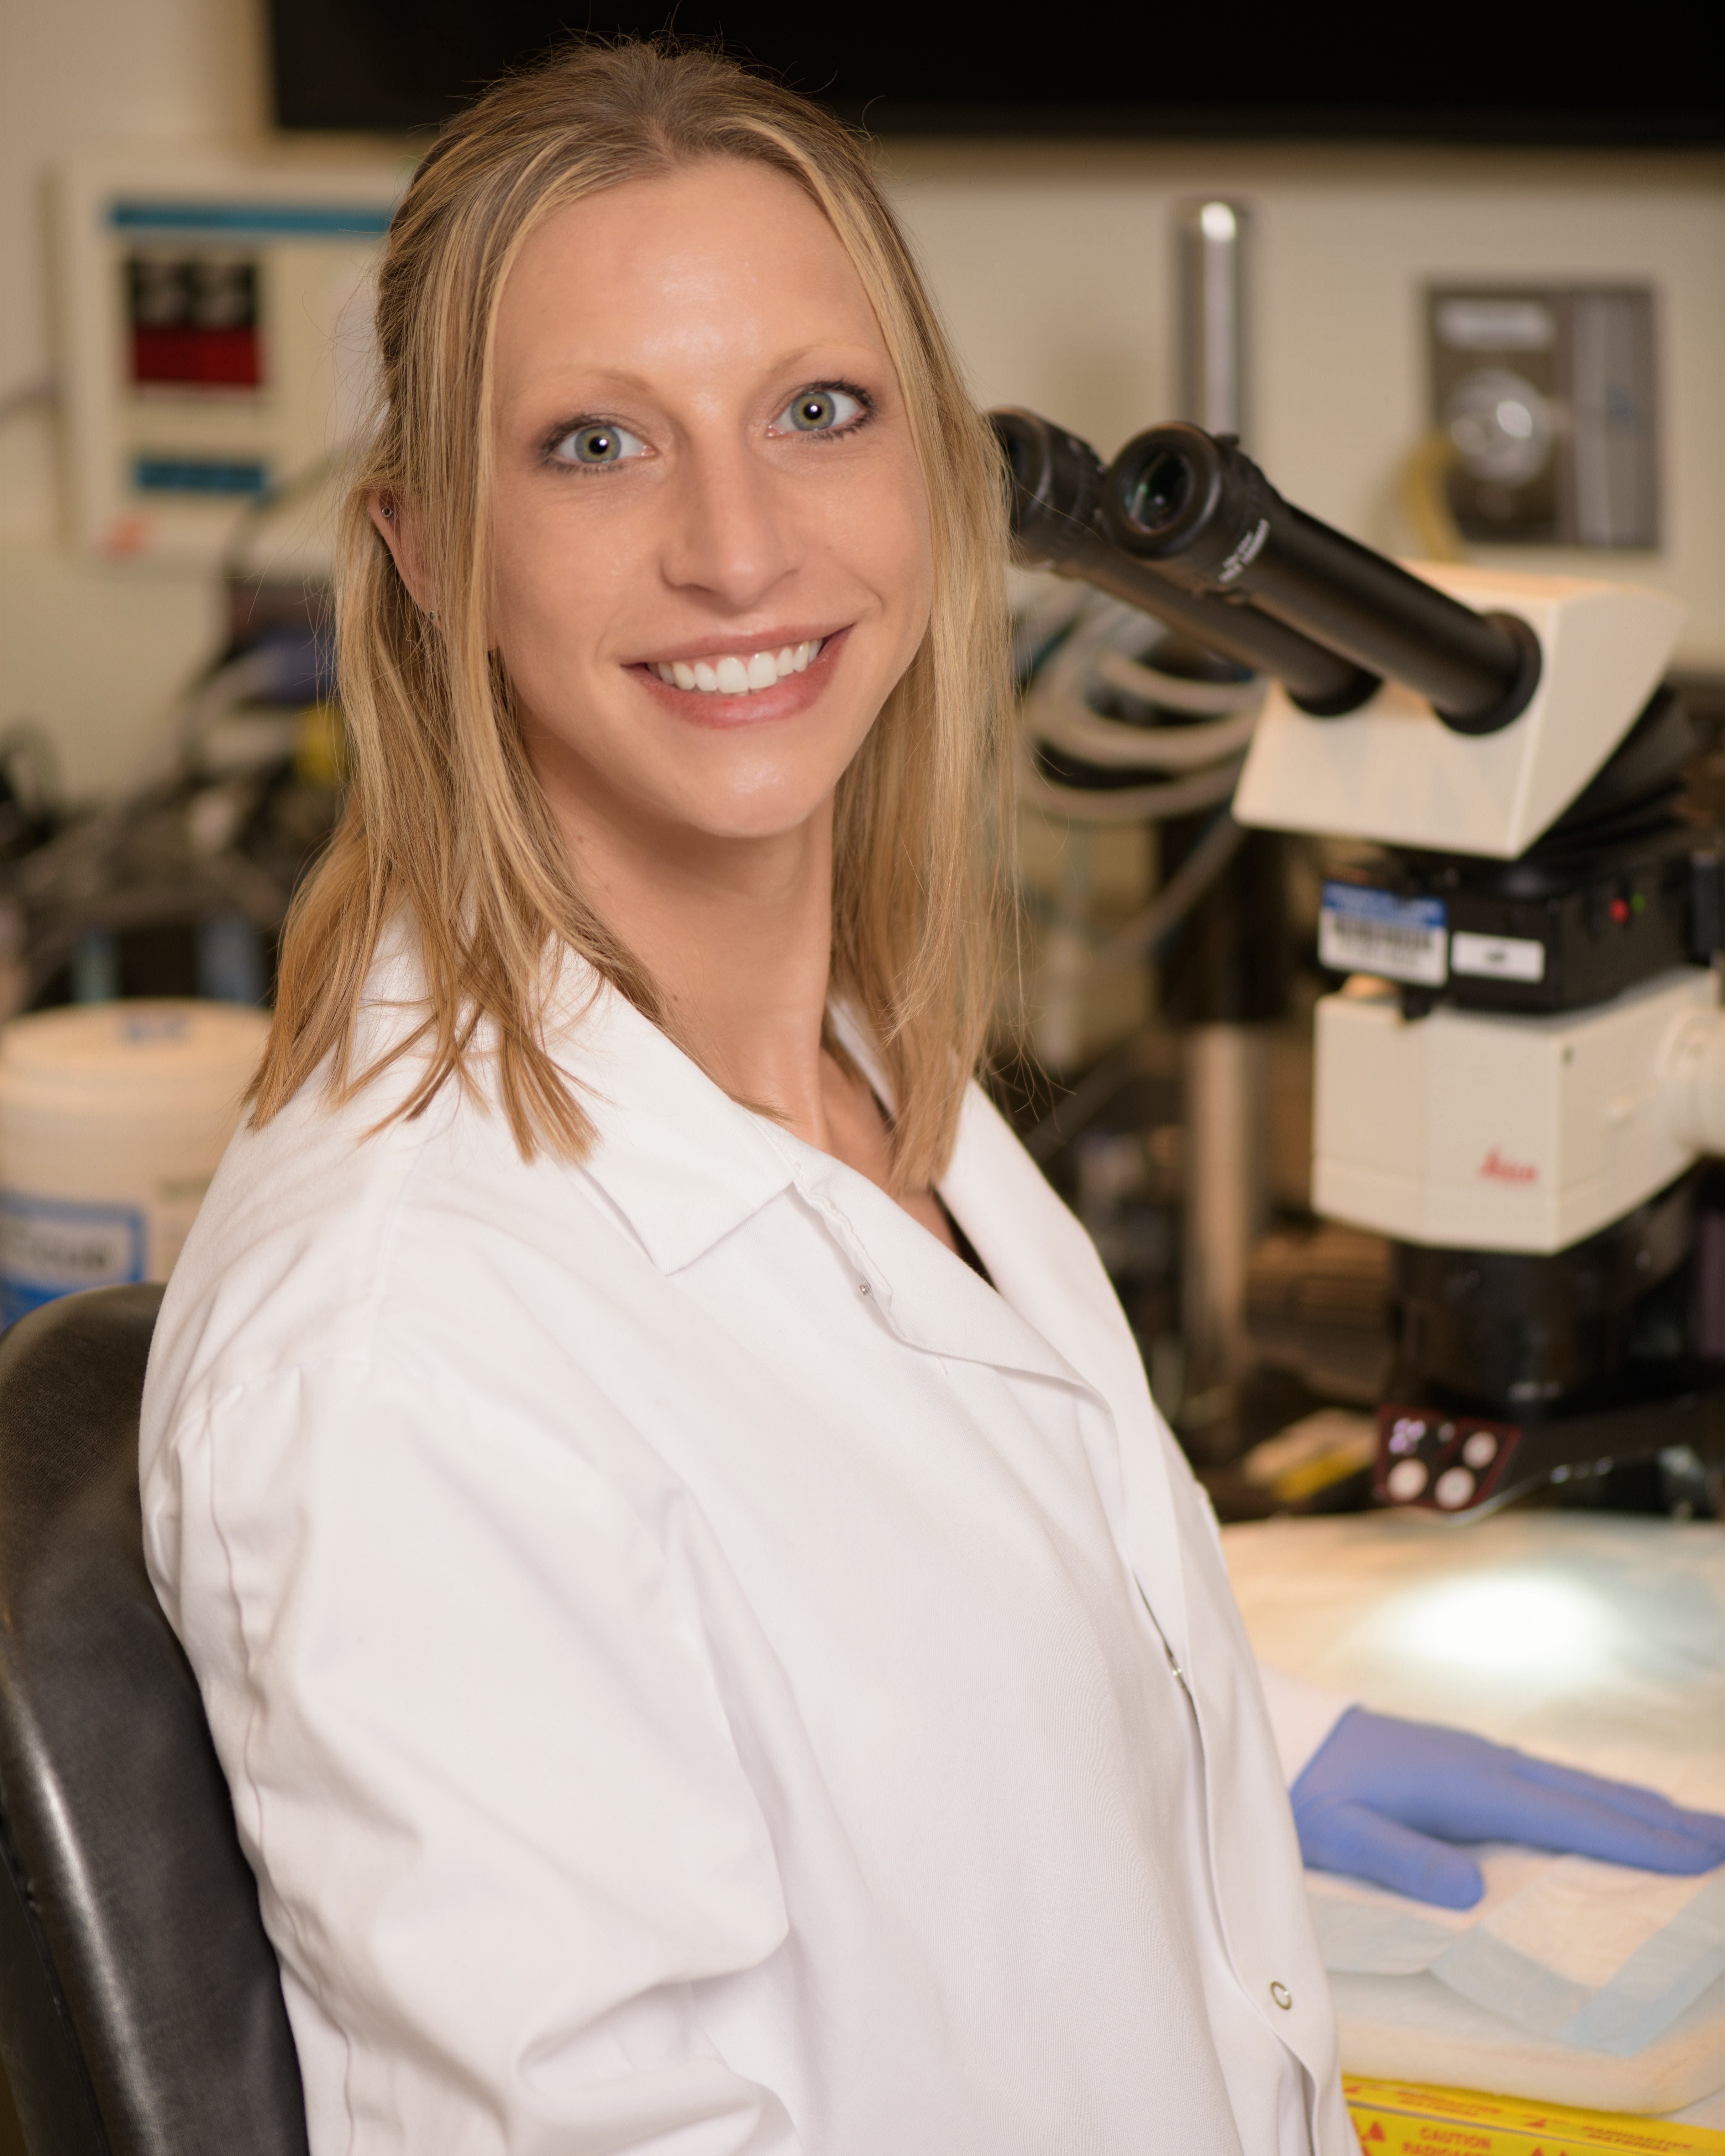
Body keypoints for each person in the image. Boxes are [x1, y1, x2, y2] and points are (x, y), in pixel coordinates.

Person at [140, 40, 1725, 2155]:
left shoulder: (860, 1070)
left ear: (937, 472)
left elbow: (853, 1649)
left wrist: (1218, 1724)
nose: (737, 545)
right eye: (597, 444)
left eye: (820, 412)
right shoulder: (407, 1342)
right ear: (427, 550)